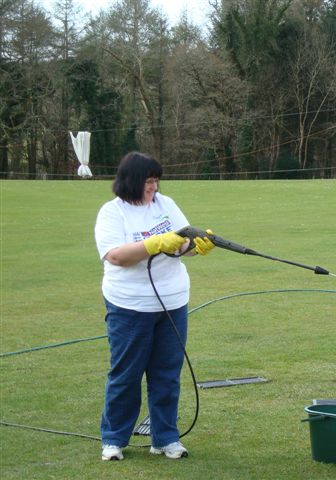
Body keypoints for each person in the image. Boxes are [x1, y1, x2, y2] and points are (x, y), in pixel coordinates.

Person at [95, 152, 215, 461]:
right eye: (149, 181)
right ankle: (114, 439)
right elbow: (116, 256)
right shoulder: (113, 213)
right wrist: (152, 244)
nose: (154, 186)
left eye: (156, 180)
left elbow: (182, 242)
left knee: (166, 374)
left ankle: (165, 438)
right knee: (126, 375)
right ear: (132, 181)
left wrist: (196, 245)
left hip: (173, 303)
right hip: (129, 307)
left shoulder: (166, 204)